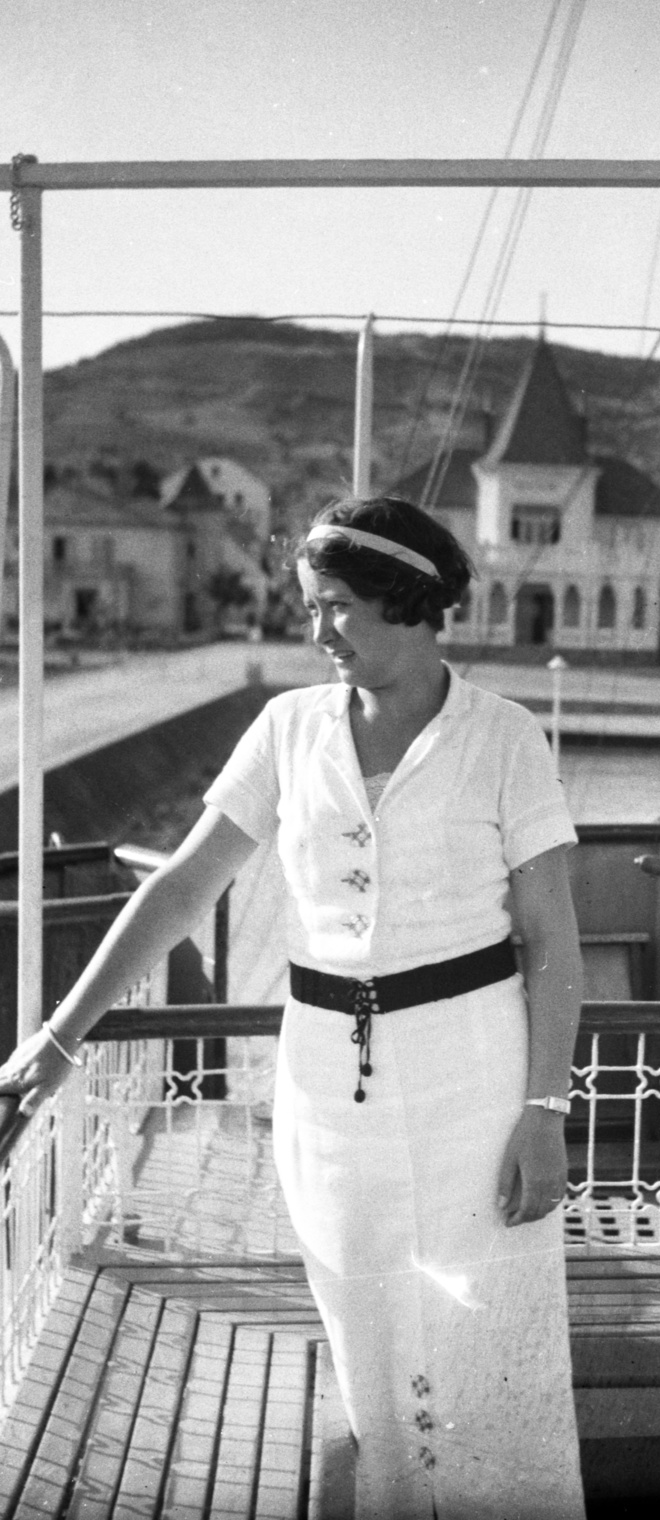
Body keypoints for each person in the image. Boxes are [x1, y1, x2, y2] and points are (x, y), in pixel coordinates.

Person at [0, 495, 587, 1520]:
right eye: (312, 608)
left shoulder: (504, 736)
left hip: (474, 1074)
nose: (318, 633)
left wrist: (545, 1114)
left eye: (340, 609)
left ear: (409, 603)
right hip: (324, 1077)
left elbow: (553, 937)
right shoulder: (288, 729)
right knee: (364, 1325)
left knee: (486, 1329)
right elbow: (182, 886)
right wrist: (60, 1036)